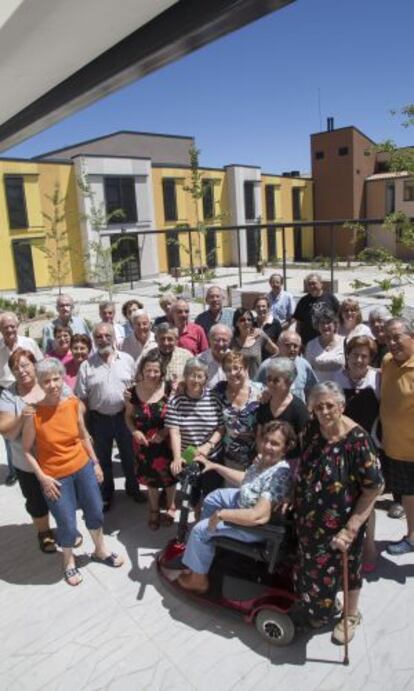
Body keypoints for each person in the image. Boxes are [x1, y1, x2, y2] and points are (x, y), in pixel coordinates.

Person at [294, 382, 383, 644]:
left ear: (341, 406)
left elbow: (373, 489)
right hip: (309, 520)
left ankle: (350, 615)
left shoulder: (357, 441)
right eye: (318, 406)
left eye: (329, 405)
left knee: (349, 569)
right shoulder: (311, 429)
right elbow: (304, 465)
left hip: (342, 525)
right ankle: (322, 609)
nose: (324, 411)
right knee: (312, 569)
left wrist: (351, 528)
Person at [22, 358, 123, 586]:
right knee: (66, 522)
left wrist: (95, 462)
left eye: (56, 379)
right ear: (39, 383)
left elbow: (83, 435)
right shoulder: (32, 414)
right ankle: (68, 561)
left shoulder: (73, 402)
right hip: (54, 476)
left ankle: (100, 550)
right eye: (46, 381)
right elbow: (27, 450)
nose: (53, 384)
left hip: (82, 466)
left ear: (62, 378)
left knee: (96, 511)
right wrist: (43, 477)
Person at [177, 420, 295, 594]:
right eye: (266, 440)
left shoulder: (278, 476)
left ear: (285, 448)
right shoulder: (265, 460)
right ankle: (206, 550)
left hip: (253, 527)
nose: (267, 446)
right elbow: (248, 481)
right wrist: (215, 466)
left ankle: (198, 580)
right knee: (213, 498)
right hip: (244, 503)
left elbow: (259, 516)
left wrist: (222, 515)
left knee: (199, 530)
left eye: (275, 443)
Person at [75, 322, 145, 511]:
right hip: (99, 420)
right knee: (103, 460)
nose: (103, 339)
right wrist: (83, 426)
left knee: (129, 458)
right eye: (99, 336)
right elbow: (82, 399)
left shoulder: (128, 360)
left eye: (107, 335)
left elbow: (138, 387)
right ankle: (107, 494)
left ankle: (133, 488)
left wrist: (135, 399)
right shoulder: (86, 366)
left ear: (114, 337)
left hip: (125, 418)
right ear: (94, 340)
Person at [0, 349, 57, 553]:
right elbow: (6, 432)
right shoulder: (9, 394)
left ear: (34, 365)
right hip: (27, 463)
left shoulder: (48, 382)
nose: (21, 371)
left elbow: (72, 405)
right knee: (35, 500)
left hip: (56, 457)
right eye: (16, 368)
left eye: (25, 365)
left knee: (62, 496)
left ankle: (66, 528)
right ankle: (44, 533)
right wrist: (21, 418)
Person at [332, 336, 381, 570]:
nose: (359, 359)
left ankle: (369, 547)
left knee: (367, 501)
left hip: (370, 449)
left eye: (364, 356)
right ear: (347, 356)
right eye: (355, 354)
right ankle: (347, 547)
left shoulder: (377, 379)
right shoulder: (337, 378)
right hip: (342, 448)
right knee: (344, 501)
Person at [125, 351, 175, 530]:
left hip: (167, 443)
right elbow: (128, 417)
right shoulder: (132, 392)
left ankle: (171, 506)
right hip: (143, 445)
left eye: (156, 371)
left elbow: (178, 416)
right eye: (148, 370)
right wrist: (134, 432)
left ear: (162, 372)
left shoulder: (170, 389)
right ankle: (153, 509)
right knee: (151, 481)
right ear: (142, 371)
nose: (152, 374)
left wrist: (164, 432)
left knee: (170, 479)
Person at [165, 358, 224, 503]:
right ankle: (195, 514)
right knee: (192, 495)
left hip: (211, 454)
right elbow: (175, 432)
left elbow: (221, 427)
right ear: (185, 376)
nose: (196, 380)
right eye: (192, 375)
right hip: (189, 454)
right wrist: (177, 457)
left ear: (205, 378)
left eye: (200, 376)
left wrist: (208, 445)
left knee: (211, 495)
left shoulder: (214, 398)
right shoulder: (176, 401)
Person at [381, 318, 414, 554]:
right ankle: (412, 538)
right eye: (388, 338)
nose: (391, 343)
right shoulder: (387, 362)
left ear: (411, 337)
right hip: (397, 448)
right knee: (409, 497)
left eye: (396, 337)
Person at [0, 312, 43, 485]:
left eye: (12, 326)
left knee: (36, 427)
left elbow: (39, 364)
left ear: (17, 326)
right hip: (6, 390)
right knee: (11, 434)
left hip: (31, 386)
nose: (9, 329)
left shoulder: (29, 343)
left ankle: (40, 462)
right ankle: (15, 469)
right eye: (5, 327)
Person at [214, 351, 263, 471]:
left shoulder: (260, 390)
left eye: (237, 368)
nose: (232, 373)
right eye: (228, 369)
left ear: (246, 368)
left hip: (257, 457)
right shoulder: (219, 391)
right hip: (231, 458)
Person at [256, 331, 318, 402]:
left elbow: (312, 389)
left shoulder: (304, 364)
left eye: (295, 346)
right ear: (278, 345)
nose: (292, 349)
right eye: (287, 345)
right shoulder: (267, 366)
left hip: (298, 410)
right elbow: (256, 390)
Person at [257, 358, 310, 441]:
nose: (270, 383)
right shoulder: (264, 402)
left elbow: (304, 440)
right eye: (269, 379)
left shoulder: (298, 408)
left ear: (289, 382)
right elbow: (259, 436)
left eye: (276, 380)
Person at [293, 272, 339, 346]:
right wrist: (298, 341)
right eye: (309, 284)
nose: (312, 286)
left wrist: (336, 335)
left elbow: (338, 319)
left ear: (321, 284)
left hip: (328, 341)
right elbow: (299, 324)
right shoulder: (303, 301)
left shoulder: (330, 298)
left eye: (314, 283)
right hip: (308, 342)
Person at [231, 307, 277, 379]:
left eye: (249, 320)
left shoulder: (259, 336)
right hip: (238, 382)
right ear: (236, 323)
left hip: (257, 383)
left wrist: (267, 366)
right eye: (242, 320)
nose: (246, 322)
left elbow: (276, 351)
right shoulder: (232, 340)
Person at [304, 309, 345, 382]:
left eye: (328, 322)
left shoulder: (345, 342)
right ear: (317, 325)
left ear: (335, 325)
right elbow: (307, 369)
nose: (325, 326)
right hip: (318, 389)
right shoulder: (311, 345)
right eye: (322, 323)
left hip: (339, 388)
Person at [253, 295, 282, 359]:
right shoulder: (251, 323)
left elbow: (280, 344)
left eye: (263, 306)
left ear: (268, 308)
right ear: (254, 309)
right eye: (258, 307)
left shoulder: (275, 323)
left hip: (271, 360)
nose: (261, 309)